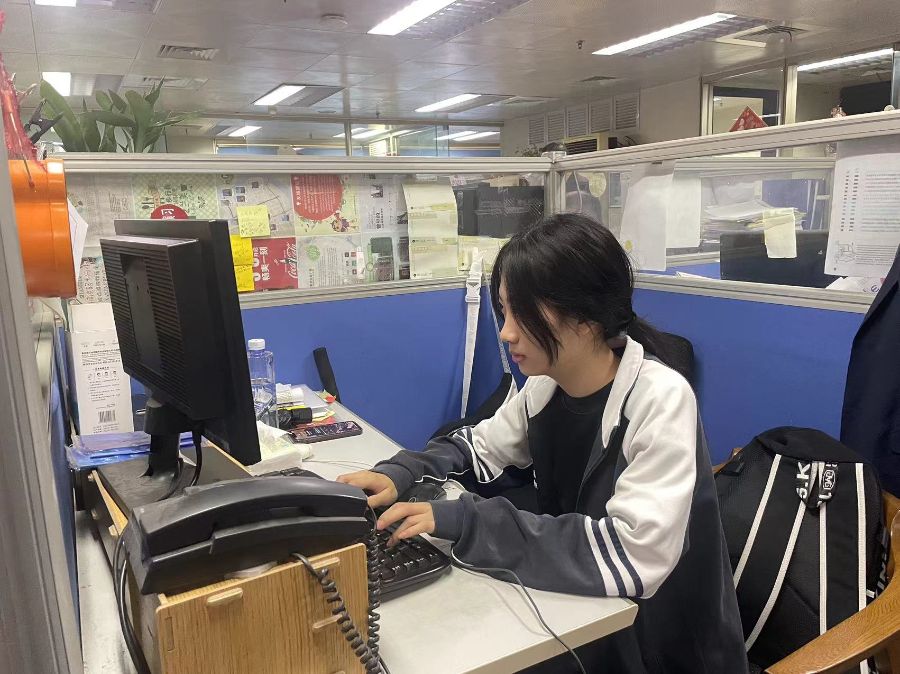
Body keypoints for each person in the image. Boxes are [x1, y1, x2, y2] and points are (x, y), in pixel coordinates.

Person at [338, 213, 747, 673]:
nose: (506, 331)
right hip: (585, 615)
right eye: (504, 311)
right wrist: (402, 472)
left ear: (585, 316)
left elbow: (632, 556)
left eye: (524, 313)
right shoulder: (545, 386)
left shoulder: (660, 398)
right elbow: (478, 448)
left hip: (660, 647)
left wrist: (469, 522)